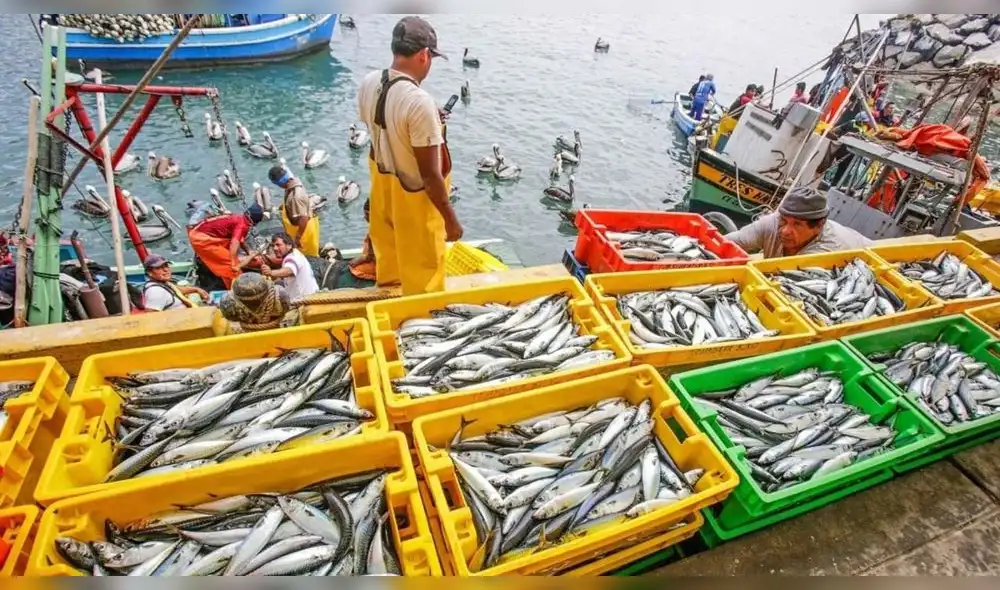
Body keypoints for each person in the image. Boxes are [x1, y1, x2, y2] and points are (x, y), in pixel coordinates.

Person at [357, 16, 463, 296]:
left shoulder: (369, 82)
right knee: (424, 281)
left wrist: (426, 121)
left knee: (390, 275)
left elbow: (380, 130)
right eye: (431, 58)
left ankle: (391, 308)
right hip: (415, 207)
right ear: (424, 54)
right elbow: (430, 175)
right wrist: (451, 220)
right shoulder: (419, 101)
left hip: (383, 197)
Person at [726, 186, 872, 258]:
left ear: (819, 226)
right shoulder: (772, 223)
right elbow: (730, 241)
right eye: (784, 220)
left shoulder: (827, 251)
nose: (785, 231)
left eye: (797, 224)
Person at [187, 204, 265, 288]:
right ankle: (237, 289)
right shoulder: (242, 225)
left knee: (229, 262)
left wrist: (248, 251)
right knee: (230, 268)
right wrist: (233, 263)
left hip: (201, 232)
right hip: (202, 239)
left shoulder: (240, 218)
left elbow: (240, 239)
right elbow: (234, 243)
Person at [269, 165, 320, 257]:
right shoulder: (292, 182)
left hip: (304, 231)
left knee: (307, 256)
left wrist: (298, 238)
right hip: (295, 227)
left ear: (278, 183)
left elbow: (304, 218)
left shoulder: (296, 196)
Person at [261, 232, 319, 301]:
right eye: (273, 246)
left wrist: (271, 272)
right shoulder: (295, 252)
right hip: (312, 294)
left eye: (278, 245)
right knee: (278, 283)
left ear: (289, 245)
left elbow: (289, 270)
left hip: (304, 300)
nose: (275, 248)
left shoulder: (293, 258)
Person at [141, 254, 208, 311]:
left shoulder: (162, 283)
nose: (165, 270)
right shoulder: (156, 292)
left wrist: (196, 289)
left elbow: (175, 290)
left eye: (166, 266)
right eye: (159, 268)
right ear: (149, 272)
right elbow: (151, 317)